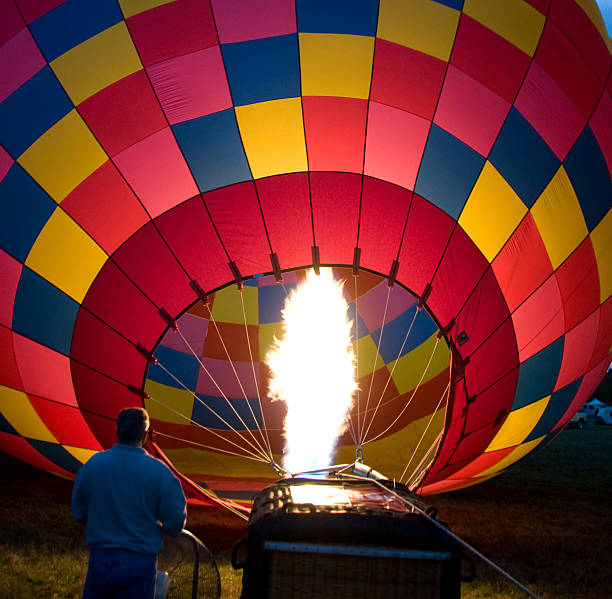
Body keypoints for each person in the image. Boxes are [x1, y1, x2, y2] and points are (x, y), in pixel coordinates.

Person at [72, 407, 187, 599]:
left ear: (116, 430)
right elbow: (175, 522)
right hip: (139, 561)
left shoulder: (94, 465)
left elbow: (79, 511)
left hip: (101, 558)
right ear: (145, 434)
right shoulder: (159, 472)